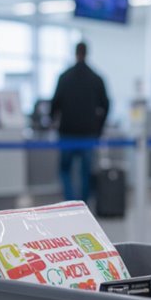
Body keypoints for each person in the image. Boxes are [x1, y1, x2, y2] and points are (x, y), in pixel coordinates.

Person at [50, 42, 109, 202]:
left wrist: (51, 121)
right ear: (87, 53)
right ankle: (83, 205)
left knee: (65, 170)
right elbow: (106, 105)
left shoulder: (65, 77)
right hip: (88, 134)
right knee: (85, 172)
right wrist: (99, 128)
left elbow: (54, 104)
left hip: (67, 132)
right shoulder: (96, 78)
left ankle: (70, 203)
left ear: (75, 53)